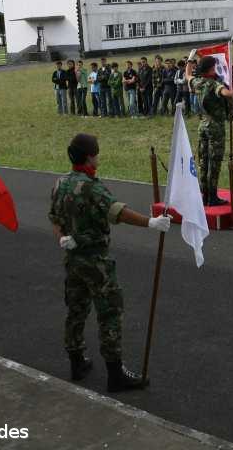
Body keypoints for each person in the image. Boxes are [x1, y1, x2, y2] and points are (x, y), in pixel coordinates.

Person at [48, 133, 171, 391]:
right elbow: (118, 212)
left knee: (76, 310)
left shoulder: (60, 184)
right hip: (96, 262)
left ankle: (76, 361)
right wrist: (150, 223)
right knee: (110, 314)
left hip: (73, 260)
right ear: (91, 156)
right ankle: (115, 375)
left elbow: (55, 219)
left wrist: (63, 239)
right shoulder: (92, 188)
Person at [186, 52, 233, 205]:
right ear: (211, 69)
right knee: (214, 162)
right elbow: (224, 92)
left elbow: (187, 75)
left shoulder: (197, 82)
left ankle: (204, 195)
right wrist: (231, 93)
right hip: (215, 127)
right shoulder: (213, 84)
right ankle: (212, 197)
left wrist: (190, 58)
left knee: (203, 161)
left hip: (203, 125)